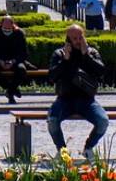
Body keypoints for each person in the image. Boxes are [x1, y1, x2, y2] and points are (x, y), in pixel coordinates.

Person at [46, 24, 109, 156]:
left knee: (103, 121)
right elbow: (51, 77)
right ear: (68, 40)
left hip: (87, 100)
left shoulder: (91, 52)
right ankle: (62, 150)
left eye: (80, 37)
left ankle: (88, 148)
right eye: (74, 38)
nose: (78, 41)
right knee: (52, 120)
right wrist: (65, 60)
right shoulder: (59, 54)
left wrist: (87, 56)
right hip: (65, 99)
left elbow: (101, 71)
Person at [0, 13, 30, 103]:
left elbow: (24, 53)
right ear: (1, 25)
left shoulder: (19, 33)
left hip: (15, 60)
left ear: (13, 25)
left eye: (9, 28)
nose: (7, 30)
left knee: (22, 70)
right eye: (5, 28)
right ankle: (11, 89)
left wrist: (13, 61)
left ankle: (10, 91)